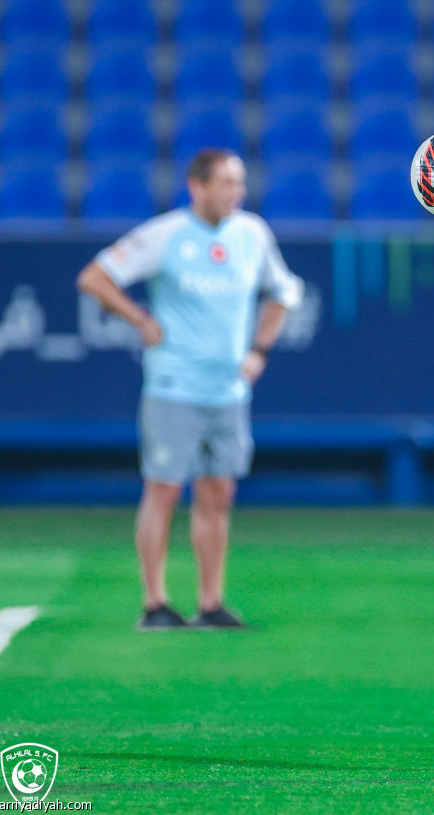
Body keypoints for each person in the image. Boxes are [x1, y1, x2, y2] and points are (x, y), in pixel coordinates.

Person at [76, 149, 304, 630]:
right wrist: (140, 318)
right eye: (225, 183)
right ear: (196, 186)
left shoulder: (252, 234)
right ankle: (155, 602)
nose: (235, 193)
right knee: (163, 489)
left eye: (239, 183)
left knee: (218, 491)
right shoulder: (165, 235)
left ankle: (210, 602)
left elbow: (284, 291)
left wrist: (259, 349)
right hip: (174, 385)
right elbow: (95, 277)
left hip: (228, 390)